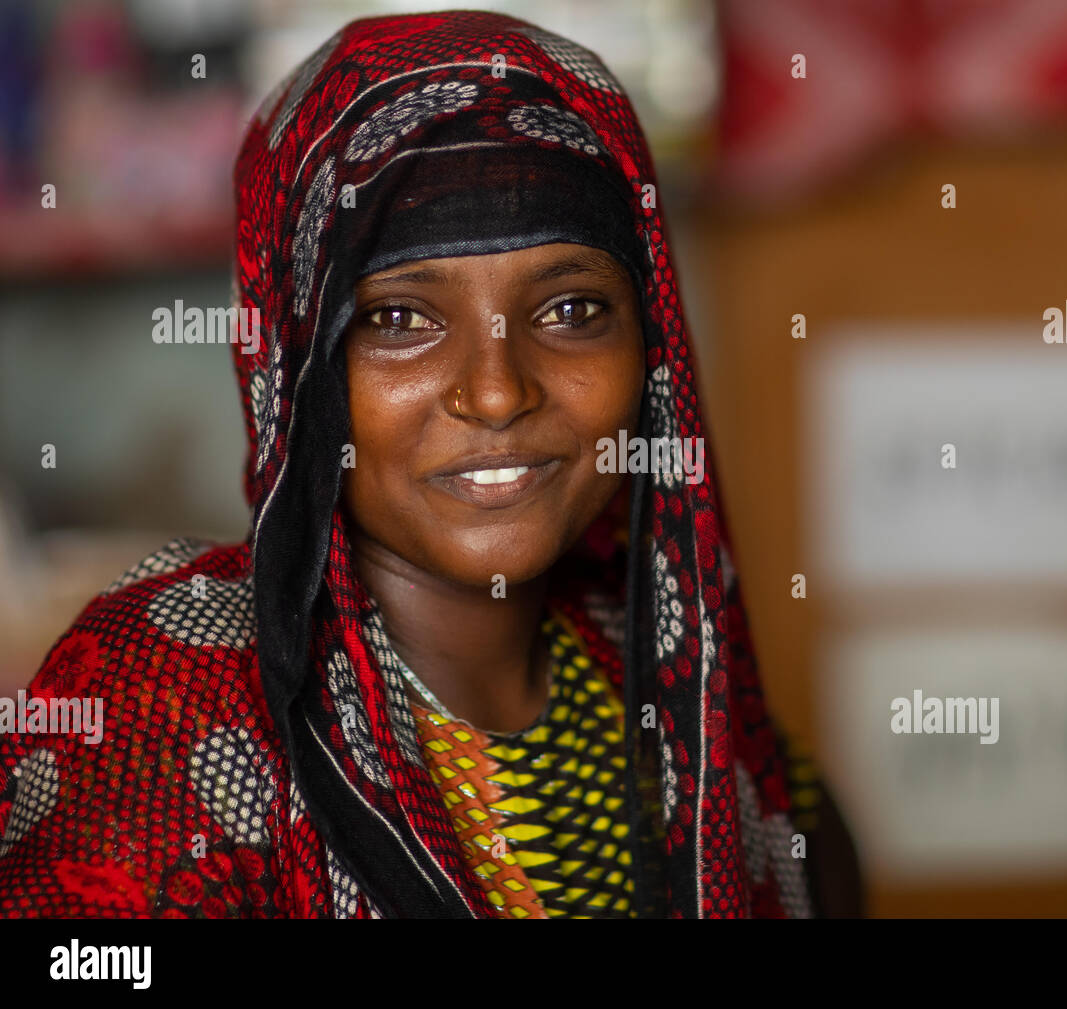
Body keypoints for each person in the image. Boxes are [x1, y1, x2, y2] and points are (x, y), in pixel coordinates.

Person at [0, 9, 858, 918]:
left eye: (571, 310)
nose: (496, 393)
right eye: (401, 320)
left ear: (654, 350)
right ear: (294, 361)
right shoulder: (165, 712)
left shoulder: (719, 752)